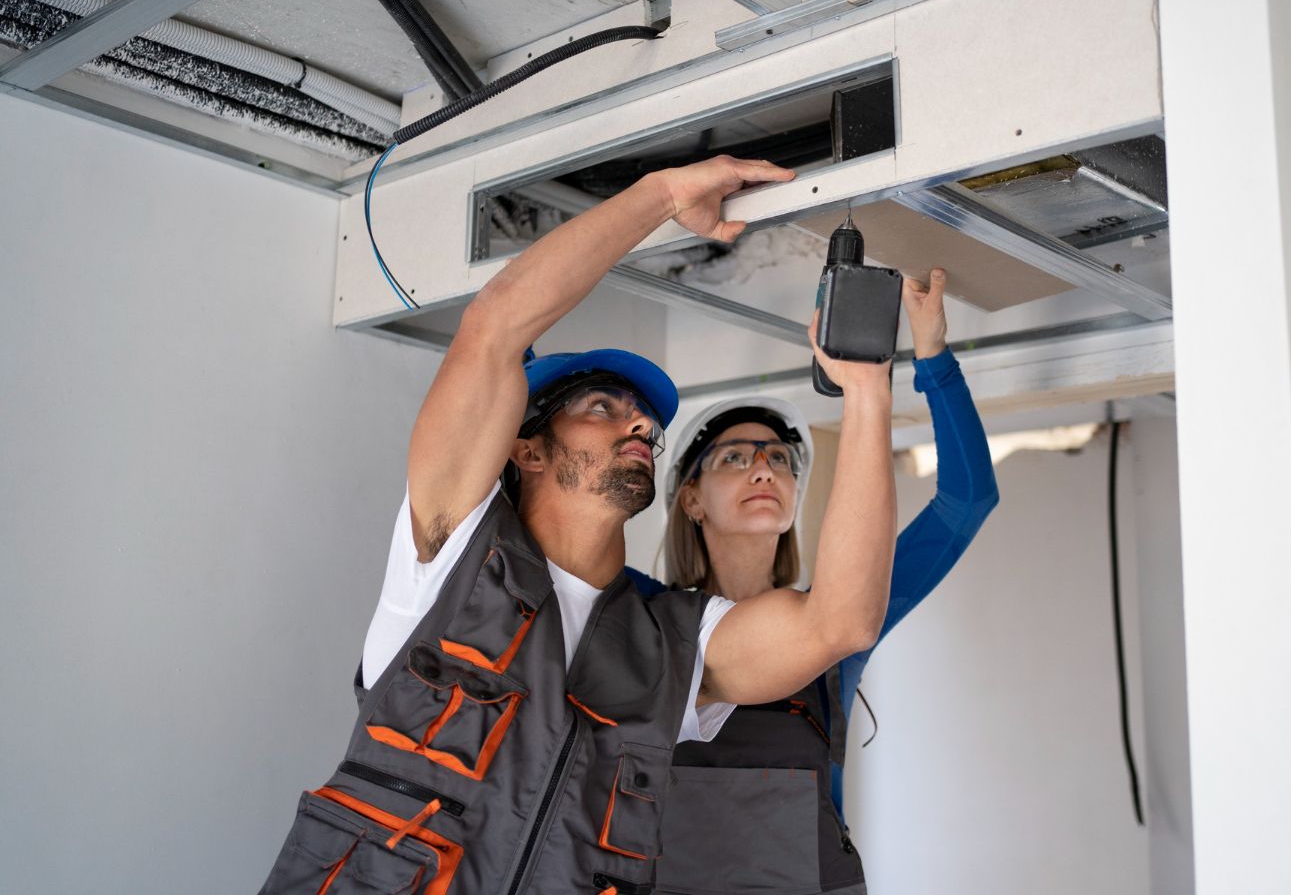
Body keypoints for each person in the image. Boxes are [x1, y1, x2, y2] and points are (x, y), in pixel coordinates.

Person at [257, 157, 899, 895]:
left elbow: (840, 624)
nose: (636, 422)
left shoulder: (674, 642)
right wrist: (660, 197)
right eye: (601, 406)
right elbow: (495, 326)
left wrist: (867, 394)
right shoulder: (448, 557)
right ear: (525, 449)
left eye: (644, 421)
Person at [631, 267, 999, 895]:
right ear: (690, 499)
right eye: (735, 456)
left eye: (779, 457)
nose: (763, 468)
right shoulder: (637, 616)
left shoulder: (840, 623)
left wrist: (932, 349)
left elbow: (966, 500)